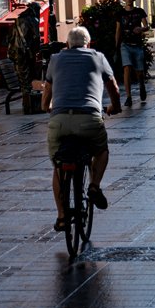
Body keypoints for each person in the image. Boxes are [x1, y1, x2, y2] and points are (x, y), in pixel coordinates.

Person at [41, 26, 121, 233]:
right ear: (89, 43)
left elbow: (47, 89)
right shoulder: (98, 57)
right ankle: (94, 186)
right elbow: (113, 87)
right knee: (101, 151)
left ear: (67, 44)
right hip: (89, 120)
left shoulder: (56, 59)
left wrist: (46, 106)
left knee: (58, 167)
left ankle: (61, 217)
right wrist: (115, 107)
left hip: (59, 121)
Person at [114, 0, 149, 107]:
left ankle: (141, 85)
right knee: (127, 68)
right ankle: (129, 97)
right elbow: (118, 30)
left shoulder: (139, 12)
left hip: (137, 45)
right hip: (125, 45)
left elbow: (147, 26)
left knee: (139, 72)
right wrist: (116, 46)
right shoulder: (120, 13)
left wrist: (141, 29)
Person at [8, 1, 43, 91]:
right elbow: (37, 37)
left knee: (22, 76)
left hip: (16, 51)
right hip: (26, 52)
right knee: (29, 76)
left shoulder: (19, 19)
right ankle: (28, 100)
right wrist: (38, 50)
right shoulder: (33, 20)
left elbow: (11, 37)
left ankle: (26, 97)